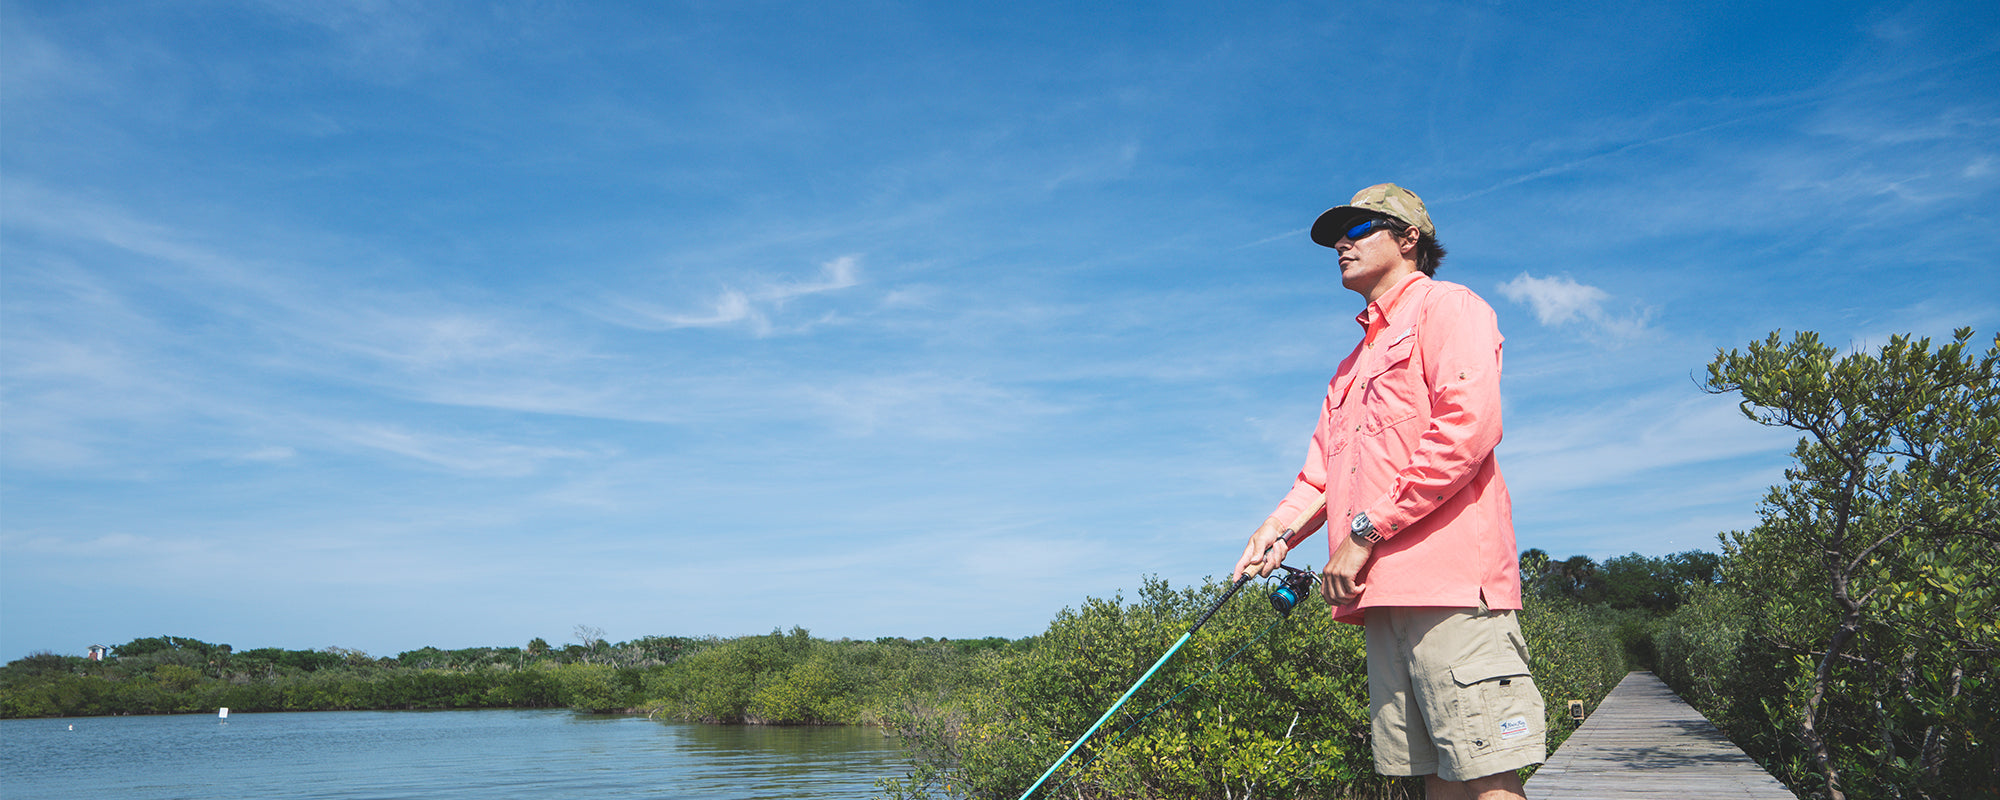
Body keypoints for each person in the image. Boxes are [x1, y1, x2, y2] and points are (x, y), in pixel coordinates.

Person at [1231, 183, 1544, 800]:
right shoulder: (1348, 368)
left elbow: (1467, 429)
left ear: (1410, 240)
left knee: (1485, 774)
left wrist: (1363, 533)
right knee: (1430, 777)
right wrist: (1276, 531)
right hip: (1380, 596)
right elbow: (1318, 478)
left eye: (1360, 229)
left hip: (1452, 588)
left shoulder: (1450, 307)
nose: (1342, 245)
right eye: (1336, 238)